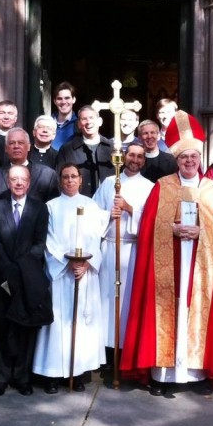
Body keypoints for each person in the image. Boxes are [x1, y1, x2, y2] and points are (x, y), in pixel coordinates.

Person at [120, 111, 213, 395]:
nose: (189, 162)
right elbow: (149, 226)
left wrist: (203, 232)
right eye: (184, 157)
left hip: (201, 266)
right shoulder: (163, 187)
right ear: (176, 159)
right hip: (171, 264)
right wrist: (170, 230)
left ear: (200, 160)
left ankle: (196, 374)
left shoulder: (212, 190)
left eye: (193, 157)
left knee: (197, 310)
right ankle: (164, 375)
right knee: (169, 311)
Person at [33, 164, 109, 393]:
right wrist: (66, 261)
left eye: (73, 176)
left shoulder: (91, 205)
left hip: (83, 274)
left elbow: (98, 239)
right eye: (65, 177)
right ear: (60, 181)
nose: (69, 180)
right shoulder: (51, 207)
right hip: (61, 274)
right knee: (58, 323)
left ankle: (77, 374)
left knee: (81, 324)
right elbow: (48, 239)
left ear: (81, 180)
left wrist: (86, 262)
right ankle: (53, 375)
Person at [0, 165, 53, 396]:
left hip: (28, 278)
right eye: (14, 179)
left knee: (26, 328)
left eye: (22, 179)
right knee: (2, 327)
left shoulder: (39, 208)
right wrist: (9, 269)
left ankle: (22, 377)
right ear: (7, 181)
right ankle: (1, 377)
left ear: (29, 182)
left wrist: (21, 269)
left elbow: (40, 242)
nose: (18, 183)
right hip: (3, 278)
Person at [92, 142, 154, 361]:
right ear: (123, 157)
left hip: (133, 249)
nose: (135, 160)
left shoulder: (150, 186)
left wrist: (129, 209)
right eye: (131, 155)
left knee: (128, 300)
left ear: (144, 161)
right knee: (107, 299)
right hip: (110, 247)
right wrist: (109, 215)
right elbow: (94, 213)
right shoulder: (109, 183)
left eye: (139, 157)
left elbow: (152, 220)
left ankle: (126, 349)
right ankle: (106, 351)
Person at [0, 128, 61, 203]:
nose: (16, 146)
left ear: (29, 147)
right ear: (6, 148)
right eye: (11, 143)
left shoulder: (47, 175)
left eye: (21, 143)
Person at [60, 105, 115, 197]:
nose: (88, 122)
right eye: (84, 119)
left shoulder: (113, 149)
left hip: (108, 202)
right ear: (79, 124)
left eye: (91, 118)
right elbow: (60, 180)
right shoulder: (67, 150)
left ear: (100, 121)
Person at [50, 81, 78, 150]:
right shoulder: (47, 124)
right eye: (59, 99)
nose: (63, 102)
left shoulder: (79, 125)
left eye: (67, 98)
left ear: (74, 99)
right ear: (54, 101)